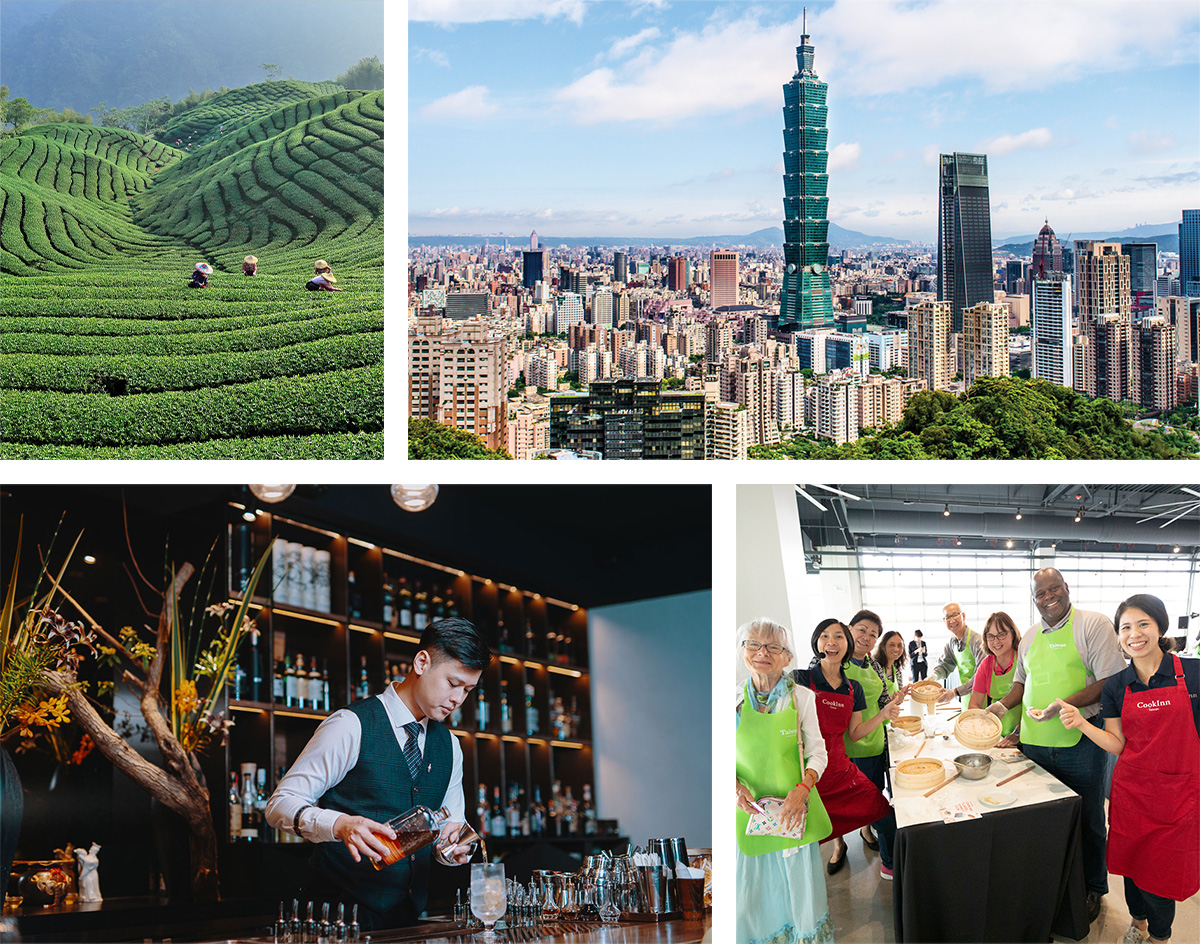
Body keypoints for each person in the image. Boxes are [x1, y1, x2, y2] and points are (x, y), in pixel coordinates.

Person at [265, 618, 489, 930]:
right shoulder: (350, 724)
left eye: (467, 689)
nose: (458, 699)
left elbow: (447, 833)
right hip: (336, 917)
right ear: (422, 662)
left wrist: (452, 850)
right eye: (452, 684)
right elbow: (279, 805)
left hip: (406, 919)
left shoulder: (450, 746)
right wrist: (341, 825)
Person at [985, 568, 1127, 924]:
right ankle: (1048, 883)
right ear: (1034, 600)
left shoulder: (1092, 625)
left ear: (1066, 588)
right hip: (1034, 743)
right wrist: (1001, 708)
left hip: (1080, 742)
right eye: (1040, 593)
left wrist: (1066, 705)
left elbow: (1110, 679)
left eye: (1054, 589)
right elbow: (1021, 684)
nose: (1048, 597)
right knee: (1040, 820)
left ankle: (1094, 887)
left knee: (1089, 817)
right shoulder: (1030, 637)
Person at [1057, 594, 1199, 944]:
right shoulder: (1118, 685)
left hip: (1179, 797)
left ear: (1160, 626)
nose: (1134, 634)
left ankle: (1160, 937)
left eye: (1143, 624)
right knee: (1133, 869)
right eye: (1125, 628)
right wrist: (1081, 723)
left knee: (1161, 875)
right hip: (1132, 795)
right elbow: (1117, 743)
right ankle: (1139, 924)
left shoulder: (1193, 675)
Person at [735, 618, 834, 944]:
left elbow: (818, 754)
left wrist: (803, 789)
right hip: (750, 818)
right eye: (754, 644)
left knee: (800, 897)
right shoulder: (731, 701)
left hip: (794, 816)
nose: (762, 652)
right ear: (743, 651)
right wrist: (734, 787)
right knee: (753, 901)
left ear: (787, 657)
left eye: (772, 647)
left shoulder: (801, 698)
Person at [792, 618, 900, 880]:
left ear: (846, 643)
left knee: (886, 816)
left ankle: (893, 870)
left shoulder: (854, 687)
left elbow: (855, 732)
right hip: (808, 777)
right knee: (801, 845)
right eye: (825, 636)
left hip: (841, 771)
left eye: (838, 637)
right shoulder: (800, 679)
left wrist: (884, 714)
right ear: (817, 642)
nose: (832, 642)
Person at [967, 612, 1021, 739]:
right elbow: (974, 704)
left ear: (1013, 633)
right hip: (997, 736)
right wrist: (982, 731)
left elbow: (1034, 703)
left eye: (1001, 635)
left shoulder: (1023, 660)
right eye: (990, 636)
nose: (995, 641)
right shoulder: (986, 665)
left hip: (1025, 734)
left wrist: (1018, 733)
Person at [934, 603, 986, 705]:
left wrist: (954, 692)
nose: (952, 621)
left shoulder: (977, 641)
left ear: (964, 616)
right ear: (944, 621)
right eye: (948, 617)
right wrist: (933, 676)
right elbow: (945, 665)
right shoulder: (951, 643)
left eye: (955, 615)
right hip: (965, 696)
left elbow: (980, 677)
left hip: (981, 697)